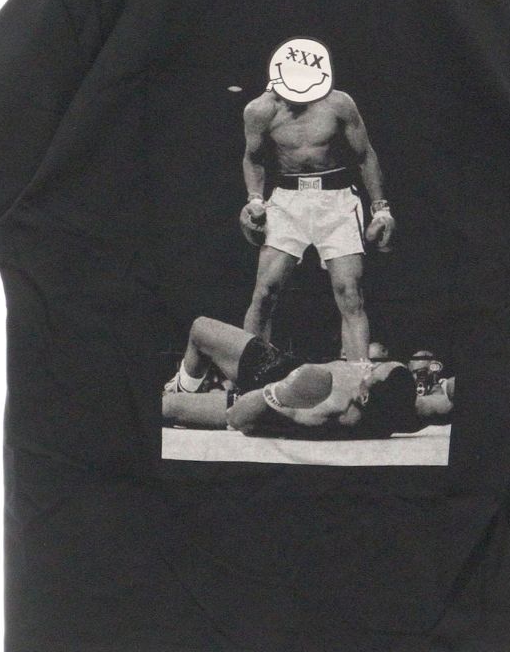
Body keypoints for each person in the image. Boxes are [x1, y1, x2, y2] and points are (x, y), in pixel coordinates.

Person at [239, 53, 395, 362]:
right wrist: (254, 198)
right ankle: (248, 375)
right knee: (264, 292)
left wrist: (381, 209)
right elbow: (252, 158)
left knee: (350, 293)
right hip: (287, 200)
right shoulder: (259, 110)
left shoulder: (339, 104)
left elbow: (365, 155)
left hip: (337, 200)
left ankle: (358, 376)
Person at [162, 316, 428, 439]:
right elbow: (437, 407)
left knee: (167, 407)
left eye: (371, 371)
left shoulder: (327, 409)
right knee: (199, 328)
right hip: (281, 364)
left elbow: (238, 417)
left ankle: (180, 396)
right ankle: (183, 387)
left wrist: (278, 392)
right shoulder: (401, 407)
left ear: (364, 396)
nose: (365, 366)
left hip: (262, 400)